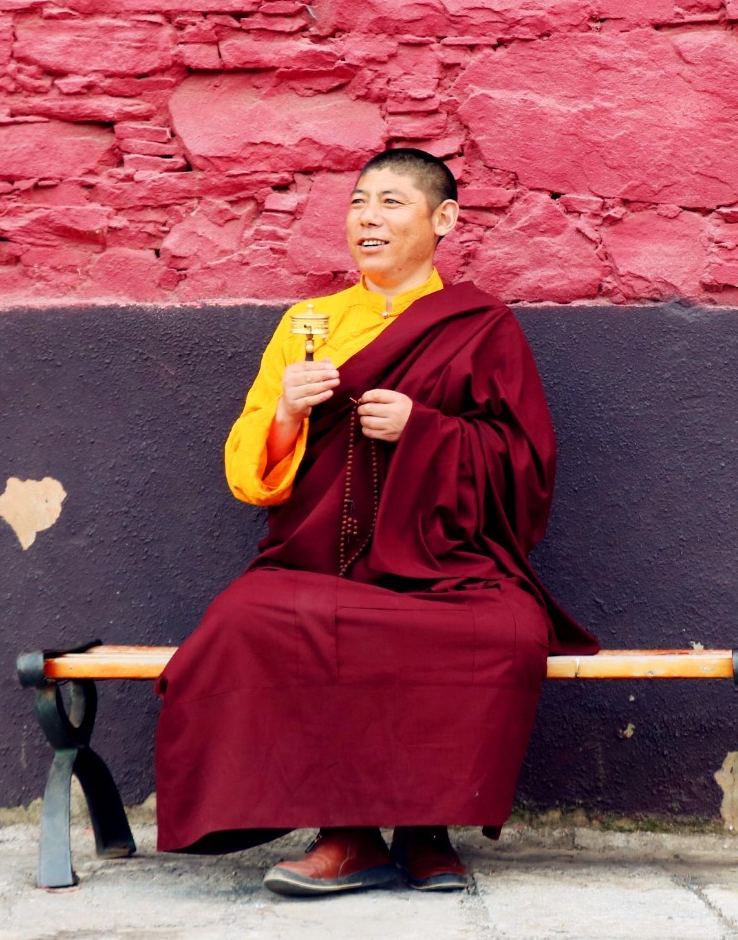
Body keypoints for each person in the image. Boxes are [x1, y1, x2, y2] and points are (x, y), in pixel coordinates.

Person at [153, 147, 597, 896]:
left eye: (392, 202)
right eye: (359, 202)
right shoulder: (311, 323)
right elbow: (247, 476)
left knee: (506, 631)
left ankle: (427, 829)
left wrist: (426, 430)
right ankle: (347, 834)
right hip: (323, 559)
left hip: (447, 564)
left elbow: (527, 465)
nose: (368, 218)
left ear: (443, 219)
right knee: (244, 619)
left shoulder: (482, 326)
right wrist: (288, 411)